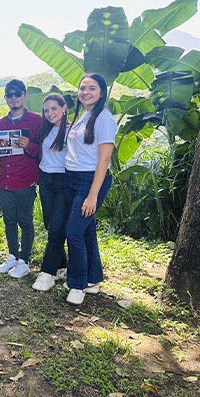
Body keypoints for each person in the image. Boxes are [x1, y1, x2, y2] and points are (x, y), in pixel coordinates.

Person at [64, 73, 117, 305]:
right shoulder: (85, 114)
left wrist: (93, 194)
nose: (85, 92)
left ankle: (78, 285)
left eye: (92, 88)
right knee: (86, 230)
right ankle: (93, 279)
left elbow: (104, 160)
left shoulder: (104, 119)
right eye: (82, 88)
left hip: (90, 180)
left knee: (73, 231)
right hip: (72, 177)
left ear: (102, 92)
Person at [0, 80, 41, 276]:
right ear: (5, 98)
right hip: (4, 180)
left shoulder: (37, 120)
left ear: (25, 96)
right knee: (9, 220)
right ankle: (12, 255)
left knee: (25, 221)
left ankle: (24, 260)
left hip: (26, 179)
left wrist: (29, 146)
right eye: (9, 94)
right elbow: (1, 150)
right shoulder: (1, 123)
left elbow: (46, 150)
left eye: (17, 93)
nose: (13, 97)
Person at [33, 93, 69, 291]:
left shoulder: (72, 131)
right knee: (50, 225)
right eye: (46, 110)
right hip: (45, 180)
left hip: (64, 181)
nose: (49, 113)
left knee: (56, 228)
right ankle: (62, 266)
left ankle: (47, 273)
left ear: (64, 108)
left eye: (54, 108)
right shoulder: (45, 129)